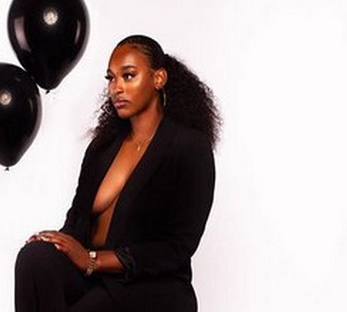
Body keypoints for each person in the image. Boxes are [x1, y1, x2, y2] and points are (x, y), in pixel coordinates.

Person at [14, 34, 222, 312]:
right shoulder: (103, 147)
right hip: (96, 278)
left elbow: (177, 248)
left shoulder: (189, 147)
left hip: (150, 288)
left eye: (128, 76)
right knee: (35, 259)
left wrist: (94, 260)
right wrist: (56, 242)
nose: (116, 88)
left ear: (158, 78)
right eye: (111, 79)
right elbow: (77, 221)